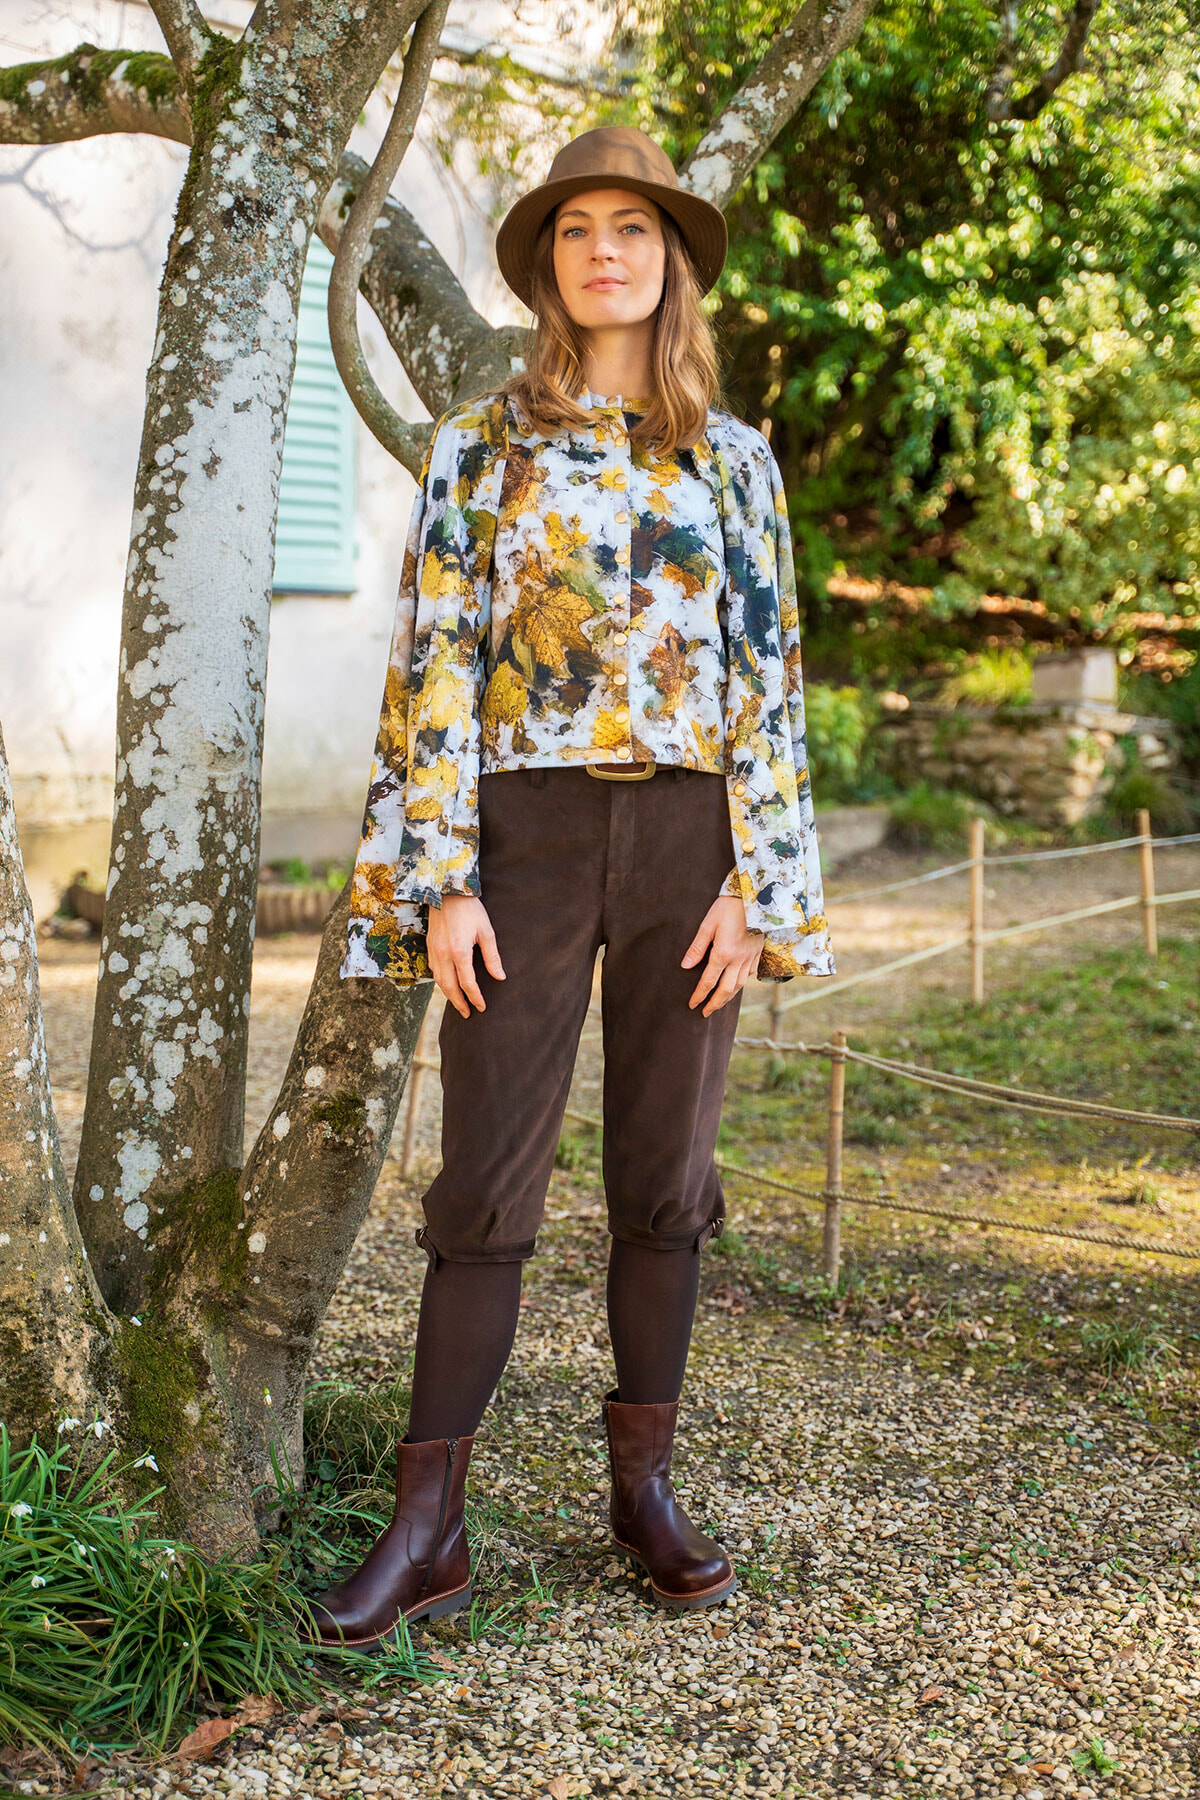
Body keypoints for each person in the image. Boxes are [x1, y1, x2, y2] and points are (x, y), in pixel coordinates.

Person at [307, 125, 835, 1650]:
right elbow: (433, 671)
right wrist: (444, 882)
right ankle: (432, 1523)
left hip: (692, 847)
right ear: (548, 262)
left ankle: (644, 1488)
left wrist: (761, 886)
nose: (605, 249)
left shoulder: (732, 462)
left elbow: (772, 684)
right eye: (578, 228)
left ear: (670, 260)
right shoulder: (484, 447)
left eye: (634, 229)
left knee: (665, 1180)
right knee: (485, 1182)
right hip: (520, 848)